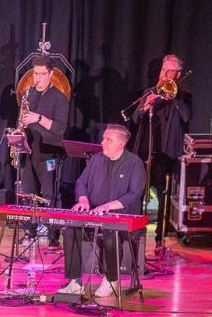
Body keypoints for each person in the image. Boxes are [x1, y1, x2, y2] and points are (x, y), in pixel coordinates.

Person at [56, 124, 146, 300]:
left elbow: (134, 193)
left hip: (120, 215)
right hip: (94, 213)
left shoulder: (135, 163)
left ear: (121, 144)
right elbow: (81, 182)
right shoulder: (96, 159)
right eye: (104, 138)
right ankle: (75, 282)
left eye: (108, 140)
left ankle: (111, 279)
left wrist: (108, 206)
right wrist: (83, 200)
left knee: (111, 232)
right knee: (70, 229)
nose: (102, 142)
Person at [131, 53, 192, 249]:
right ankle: (134, 234)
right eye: (164, 69)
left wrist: (173, 97)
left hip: (165, 153)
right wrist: (145, 106)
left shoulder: (184, 96)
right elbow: (135, 118)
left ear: (178, 74)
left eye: (170, 71)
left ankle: (159, 239)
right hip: (144, 150)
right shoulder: (149, 91)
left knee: (162, 195)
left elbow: (186, 117)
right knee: (137, 192)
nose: (165, 74)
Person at [10, 55, 70, 205]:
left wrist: (38, 118)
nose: (38, 78)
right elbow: (20, 121)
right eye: (35, 73)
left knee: (49, 196)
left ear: (50, 74)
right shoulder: (28, 93)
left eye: (42, 74)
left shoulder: (59, 97)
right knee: (28, 195)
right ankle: (30, 221)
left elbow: (60, 128)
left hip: (48, 154)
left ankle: (49, 221)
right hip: (28, 153)